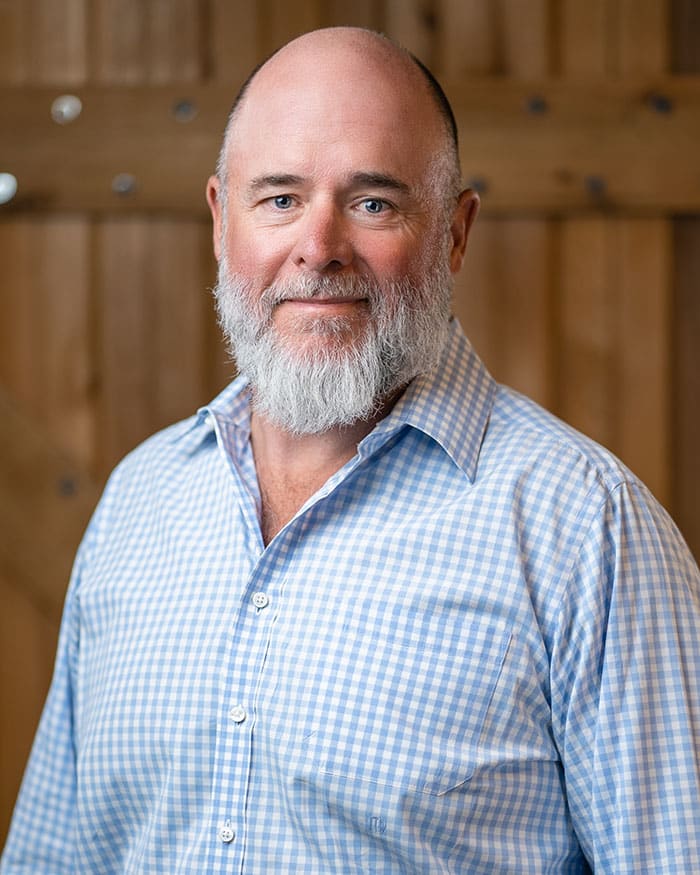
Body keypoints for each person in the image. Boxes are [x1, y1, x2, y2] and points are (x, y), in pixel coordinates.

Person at [2, 26, 699, 874]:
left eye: (373, 202)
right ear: (223, 222)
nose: (320, 246)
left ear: (454, 230)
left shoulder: (589, 530)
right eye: (280, 199)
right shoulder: (140, 500)